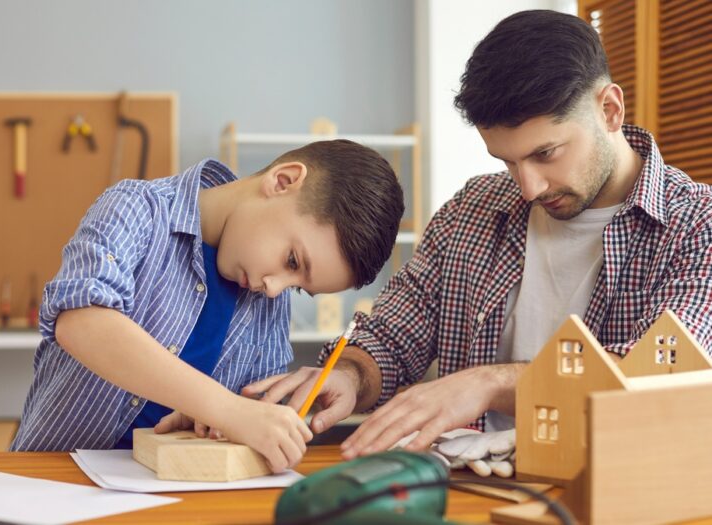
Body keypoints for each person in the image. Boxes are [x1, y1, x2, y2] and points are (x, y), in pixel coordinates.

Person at [245, 9, 712, 460]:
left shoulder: (697, 226)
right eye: (507, 162)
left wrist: (489, 384)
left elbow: (657, 377)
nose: (528, 187)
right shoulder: (474, 208)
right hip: (465, 491)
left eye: (545, 153)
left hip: (611, 500)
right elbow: (392, 336)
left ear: (609, 110)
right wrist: (350, 374)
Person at [10, 139, 405, 474]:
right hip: (51, 480)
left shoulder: (267, 299)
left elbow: (242, 416)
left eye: (299, 287)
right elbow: (83, 322)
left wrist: (220, 423)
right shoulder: (136, 209)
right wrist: (224, 409)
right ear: (282, 181)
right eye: (292, 262)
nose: (276, 289)